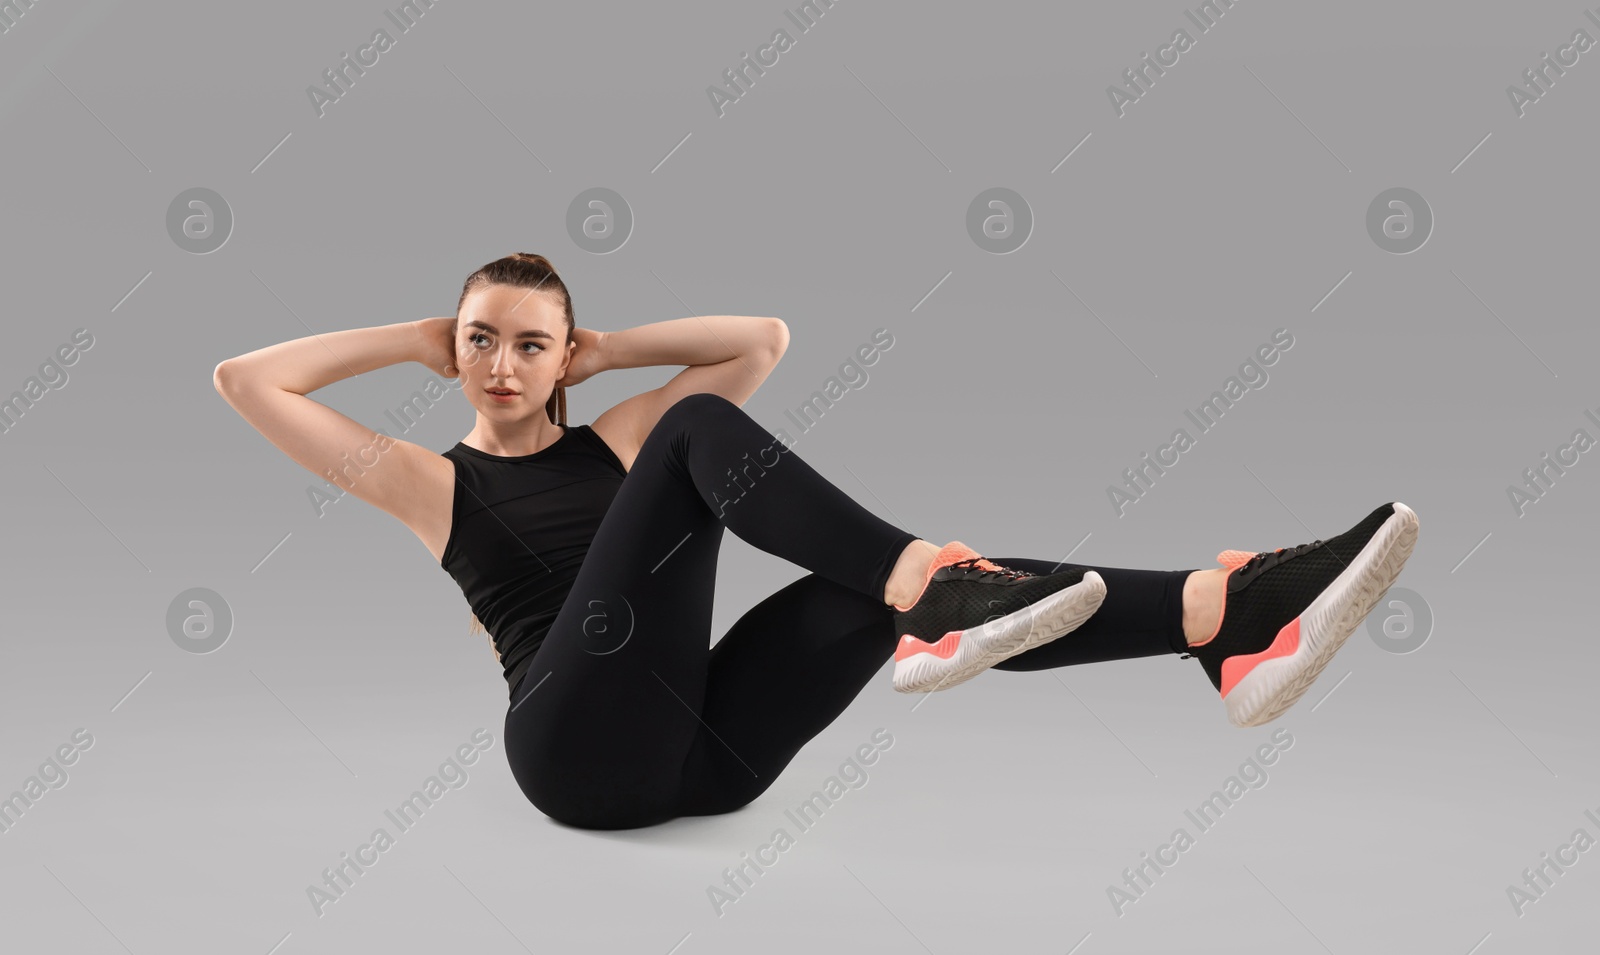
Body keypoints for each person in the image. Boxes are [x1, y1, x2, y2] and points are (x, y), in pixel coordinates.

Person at [213, 252, 1419, 831]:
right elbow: (247, 379)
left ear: (565, 356)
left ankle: (1221, 623)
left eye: (533, 343)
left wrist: (605, 343)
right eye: (482, 340)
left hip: (712, 764)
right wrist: (418, 330)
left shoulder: (624, 437)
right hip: (570, 747)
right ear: (456, 348)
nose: (502, 363)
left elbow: (764, 335)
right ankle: (965, 585)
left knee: (849, 576)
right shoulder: (431, 482)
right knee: (714, 434)